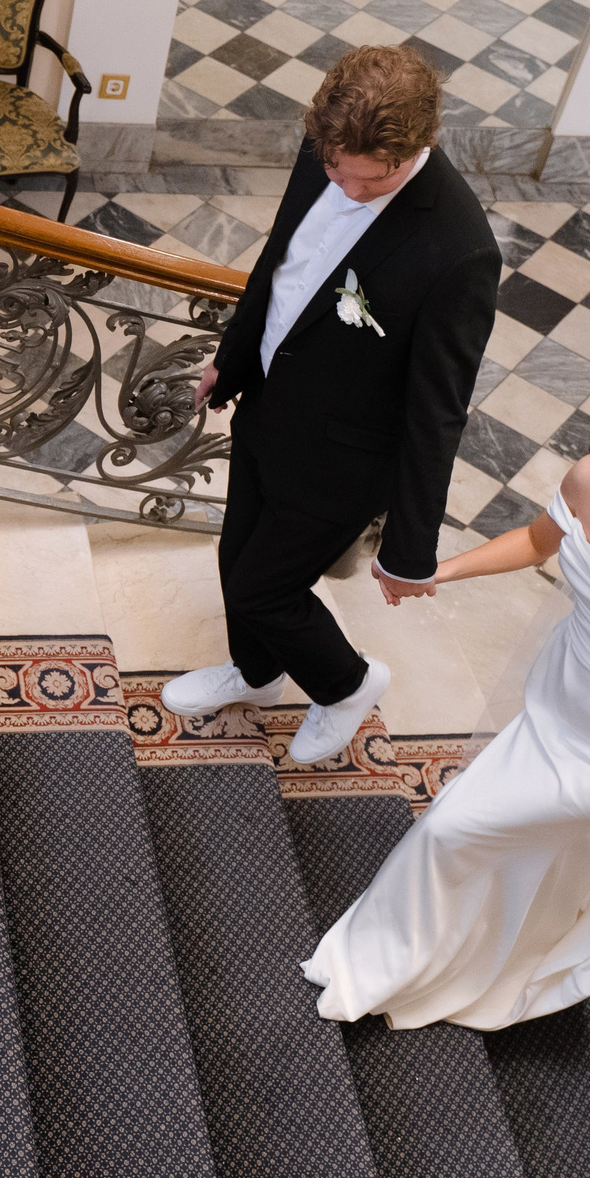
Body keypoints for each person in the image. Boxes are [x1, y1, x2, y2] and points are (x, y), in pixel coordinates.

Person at [300, 387, 590, 1033]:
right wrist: (440, 572)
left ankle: (391, 963)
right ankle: (521, 929)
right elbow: (537, 540)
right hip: (562, 693)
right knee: (538, 842)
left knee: (452, 828)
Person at [165, 44, 503, 765]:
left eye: (362, 179)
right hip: (267, 404)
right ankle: (255, 677)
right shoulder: (326, 147)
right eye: (332, 168)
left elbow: (437, 410)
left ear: (413, 148)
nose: (341, 184)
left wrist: (410, 551)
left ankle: (347, 684)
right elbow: (281, 268)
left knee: (264, 587)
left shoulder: (459, 250)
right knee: (235, 556)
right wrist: (230, 358)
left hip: (345, 460)